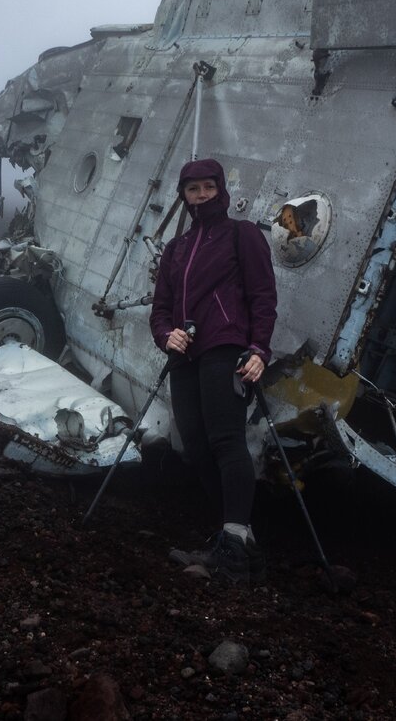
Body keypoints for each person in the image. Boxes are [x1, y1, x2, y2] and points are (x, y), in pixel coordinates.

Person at [150, 158, 277, 581]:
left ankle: (232, 549)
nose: (201, 195)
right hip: (184, 356)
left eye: (207, 187)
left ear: (221, 189)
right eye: (192, 189)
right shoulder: (176, 249)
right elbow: (160, 310)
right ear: (183, 195)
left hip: (225, 349)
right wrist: (166, 334)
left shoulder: (242, 235)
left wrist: (259, 348)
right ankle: (240, 541)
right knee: (197, 445)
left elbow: (263, 297)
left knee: (225, 441)